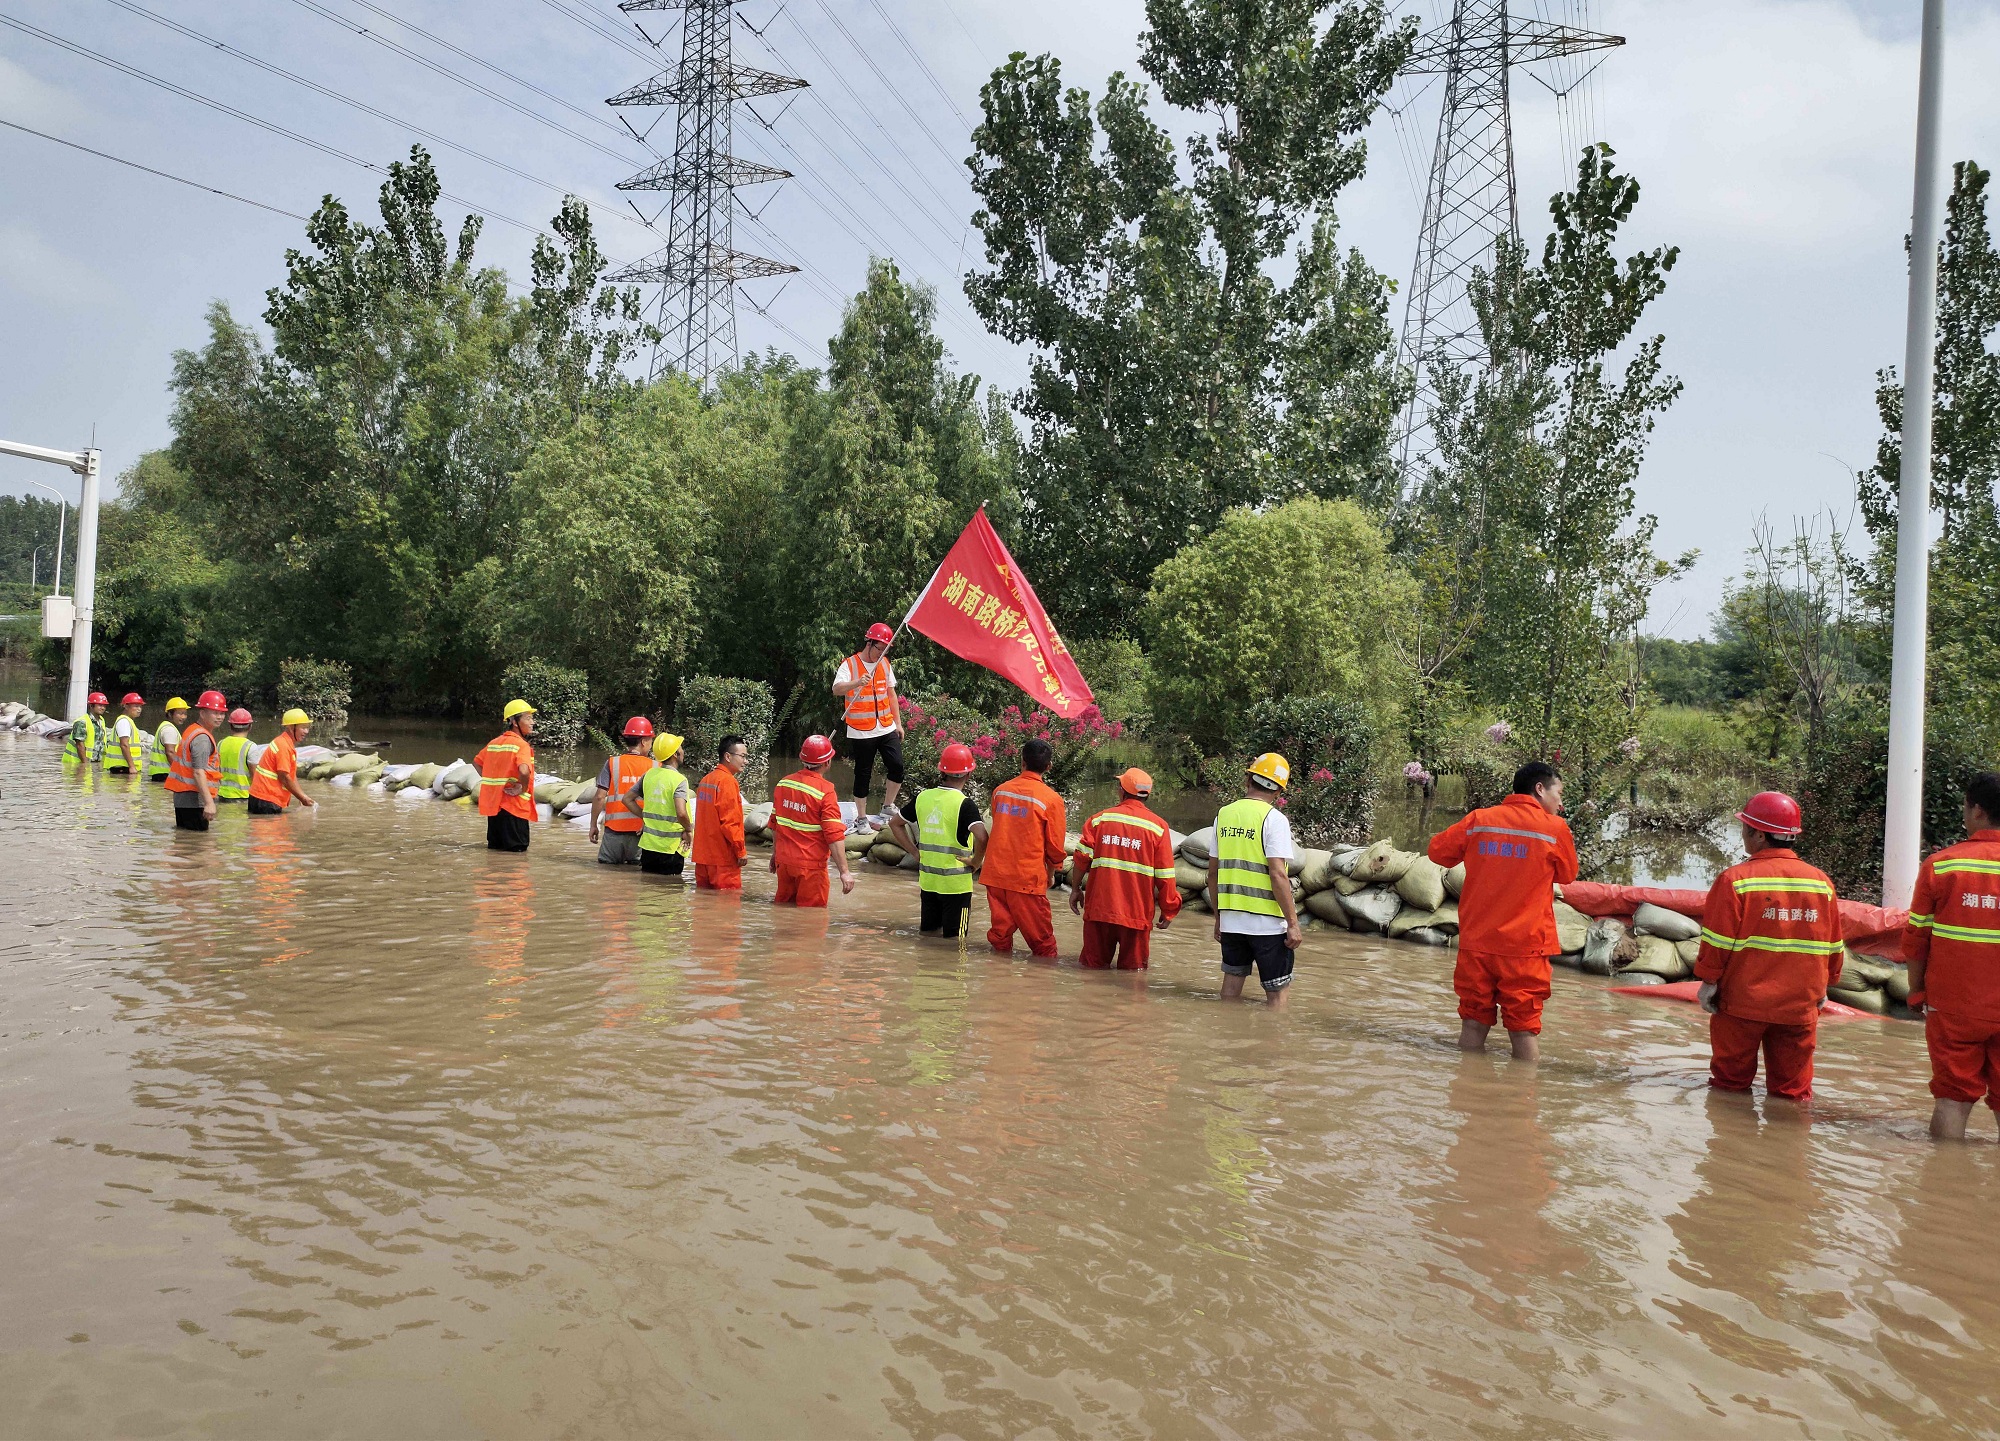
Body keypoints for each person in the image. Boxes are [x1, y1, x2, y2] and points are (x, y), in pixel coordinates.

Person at [1692, 791, 1845, 1101]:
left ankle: (1730, 1145)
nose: (1743, 834)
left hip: (1742, 1004)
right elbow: (1833, 943)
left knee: (1729, 1089)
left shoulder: (1735, 880)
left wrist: (1708, 982)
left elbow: (1717, 942)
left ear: (1758, 834)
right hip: (1799, 1007)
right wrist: (1827, 983)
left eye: (1745, 828)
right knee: (1793, 1093)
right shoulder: (1820, 883)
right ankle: (1789, 1146)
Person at [1428, 760, 1579, 1060]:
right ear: (1539, 789)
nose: (1561, 803)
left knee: (1472, 1023)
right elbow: (1567, 875)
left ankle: (1469, 1090)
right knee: (1523, 1028)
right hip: (1524, 948)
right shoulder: (1554, 829)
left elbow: (1437, 852)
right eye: (1558, 793)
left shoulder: (1479, 820)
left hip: (1477, 943)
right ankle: (1521, 1099)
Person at [1903, 771, 2000, 1140]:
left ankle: (1943, 1186)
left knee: (1952, 1099)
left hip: (1956, 1007)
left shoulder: (1943, 866)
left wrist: (1916, 991)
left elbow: (1915, 940)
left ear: (1976, 810)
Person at [1206, 753, 1303, 1006]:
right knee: (1277, 993)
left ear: (1248, 779)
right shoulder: (1274, 820)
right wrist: (1292, 923)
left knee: (1230, 985)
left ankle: (1225, 1030)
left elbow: (1212, 874)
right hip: (1267, 925)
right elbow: (1278, 874)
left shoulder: (1223, 815)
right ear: (1279, 791)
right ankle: (1272, 1043)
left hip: (1232, 921)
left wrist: (1219, 918)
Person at [1072, 767, 1181, 969]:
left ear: (1121, 790)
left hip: (1100, 910)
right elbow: (1165, 874)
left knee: (1091, 971)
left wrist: (1075, 889)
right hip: (1136, 914)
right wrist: (1169, 909)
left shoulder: (1099, 820)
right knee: (1133, 977)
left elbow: (1081, 858)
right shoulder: (1158, 828)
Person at [889, 742, 988, 939]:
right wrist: (976, 861)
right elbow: (983, 836)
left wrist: (914, 852)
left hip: (928, 882)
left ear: (941, 771)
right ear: (968, 774)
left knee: (928, 936)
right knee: (957, 942)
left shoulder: (923, 798)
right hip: (957, 887)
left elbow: (895, 824)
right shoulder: (965, 804)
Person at [983, 738, 1069, 959]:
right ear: (1048, 766)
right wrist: (1051, 873)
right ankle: (1039, 988)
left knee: (1000, 939)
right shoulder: (1051, 800)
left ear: (1021, 761)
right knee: (1044, 946)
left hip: (996, 876)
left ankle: (997, 981)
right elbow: (1055, 846)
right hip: (1026, 880)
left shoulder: (1000, 791)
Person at [832, 622, 904, 833]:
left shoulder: (885, 664)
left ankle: (887, 807)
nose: (881, 653)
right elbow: (836, 689)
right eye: (879, 648)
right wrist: (856, 683)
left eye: (885, 650)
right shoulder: (850, 664)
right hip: (861, 729)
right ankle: (861, 818)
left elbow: (891, 694)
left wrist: (898, 724)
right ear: (869, 643)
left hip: (885, 726)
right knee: (863, 774)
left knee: (897, 766)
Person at [770, 734, 855, 906]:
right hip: (810, 867)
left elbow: (774, 824)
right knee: (812, 921)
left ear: (802, 759)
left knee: (783, 914)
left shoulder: (784, 783)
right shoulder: (826, 791)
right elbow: (833, 835)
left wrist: (775, 854)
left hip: (784, 862)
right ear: (827, 763)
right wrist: (844, 871)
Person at [475, 699, 539, 853]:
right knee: (516, 860)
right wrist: (522, 788)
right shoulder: (522, 745)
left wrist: (494, 782)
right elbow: (524, 771)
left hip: (495, 810)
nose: (533, 722)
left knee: (495, 854)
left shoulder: (494, 743)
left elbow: (477, 763)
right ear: (515, 722)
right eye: (528, 718)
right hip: (514, 809)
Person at [591, 717, 655, 866]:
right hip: (640, 834)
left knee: (606, 875)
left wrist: (594, 825)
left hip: (614, 834)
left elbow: (600, 797)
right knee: (635, 879)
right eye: (650, 741)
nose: (651, 745)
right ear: (643, 742)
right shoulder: (656, 767)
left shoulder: (613, 763)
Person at [628, 731, 693, 877]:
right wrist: (689, 830)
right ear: (676, 754)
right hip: (670, 850)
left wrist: (645, 817)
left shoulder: (649, 775)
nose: (683, 751)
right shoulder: (679, 780)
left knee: (647, 889)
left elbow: (627, 799)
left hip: (648, 847)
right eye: (681, 748)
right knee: (670, 892)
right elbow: (681, 812)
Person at [692, 734, 751, 890]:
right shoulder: (728, 782)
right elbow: (730, 822)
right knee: (727, 908)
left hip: (703, 858)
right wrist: (741, 851)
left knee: (703, 906)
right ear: (728, 756)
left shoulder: (706, 780)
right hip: (722, 860)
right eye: (743, 756)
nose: (746, 761)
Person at [164, 690, 227, 832]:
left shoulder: (192, 729)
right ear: (202, 713)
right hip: (194, 800)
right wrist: (209, 802)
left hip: (184, 798)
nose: (220, 717)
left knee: (186, 843)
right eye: (215, 713)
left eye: (222, 713)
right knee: (200, 847)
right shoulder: (202, 738)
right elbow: (198, 772)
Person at [249, 709, 318, 816]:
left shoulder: (285, 743)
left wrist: (301, 796)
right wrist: (302, 797)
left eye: (307, 728)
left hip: (262, 798)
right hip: (266, 800)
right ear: (291, 727)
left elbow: (291, 776)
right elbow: (284, 777)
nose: (306, 732)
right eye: (303, 728)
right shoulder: (284, 746)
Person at [216, 708, 255, 804]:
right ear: (250, 726)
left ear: (230, 726)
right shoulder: (250, 746)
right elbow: (255, 778)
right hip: (243, 797)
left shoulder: (220, 743)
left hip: (221, 796)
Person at [148, 697, 189, 783]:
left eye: (185, 713)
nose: (183, 717)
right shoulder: (169, 730)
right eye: (180, 713)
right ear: (170, 714)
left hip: (160, 774)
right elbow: (170, 752)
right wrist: (180, 772)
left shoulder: (165, 726)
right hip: (165, 775)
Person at [65, 691, 109, 766]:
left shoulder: (101, 721)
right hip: (77, 764)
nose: (103, 708)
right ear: (91, 706)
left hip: (96, 763)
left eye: (104, 706)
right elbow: (79, 745)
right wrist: (85, 765)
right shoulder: (81, 722)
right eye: (100, 705)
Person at [106, 692, 145, 774]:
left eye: (140, 706)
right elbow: (124, 744)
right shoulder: (124, 722)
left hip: (124, 767)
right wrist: (132, 766)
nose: (139, 709)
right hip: (122, 768)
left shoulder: (128, 721)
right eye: (136, 706)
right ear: (126, 706)